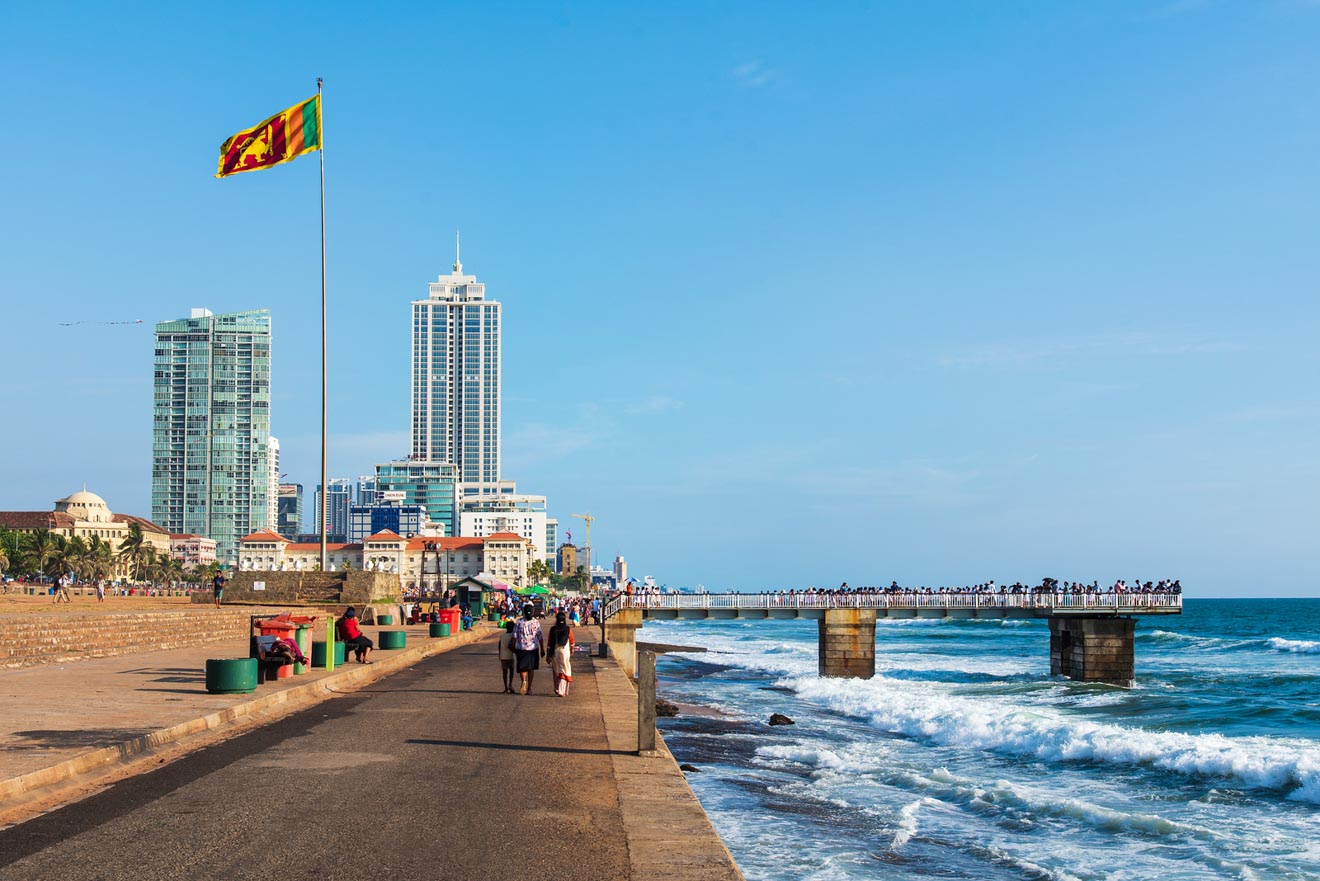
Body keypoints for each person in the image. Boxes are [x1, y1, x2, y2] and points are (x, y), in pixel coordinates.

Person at [513, 603, 544, 695]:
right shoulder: (536, 622)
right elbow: (540, 637)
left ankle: (523, 681)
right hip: (533, 648)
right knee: (531, 668)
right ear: (533, 612)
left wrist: (513, 648)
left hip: (521, 648)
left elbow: (514, 637)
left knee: (523, 667)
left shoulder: (519, 622)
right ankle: (529, 688)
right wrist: (542, 649)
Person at [546, 611, 575, 697]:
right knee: (564, 670)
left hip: (555, 652)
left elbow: (549, 644)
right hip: (565, 652)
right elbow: (572, 642)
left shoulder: (553, 629)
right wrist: (572, 650)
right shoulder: (568, 629)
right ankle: (561, 691)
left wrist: (548, 655)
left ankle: (556, 688)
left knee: (556, 671)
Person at [498, 620, 517, 693]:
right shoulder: (512, 636)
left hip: (503, 656)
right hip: (510, 656)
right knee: (511, 670)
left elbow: (499, 646)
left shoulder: (502, 636)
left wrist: (500, 655)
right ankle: (510, 685)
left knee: (504, 672)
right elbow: (512, 646)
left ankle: (505, 687)